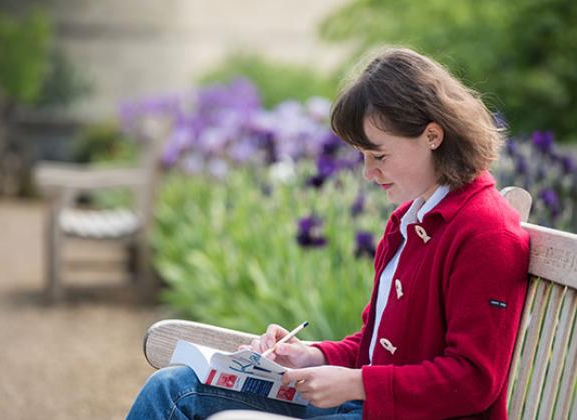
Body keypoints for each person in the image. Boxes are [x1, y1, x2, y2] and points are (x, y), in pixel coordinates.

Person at [126, 47, 529, 420]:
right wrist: (312, 356)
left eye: (379, 155)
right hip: (370, 409)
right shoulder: (412, 221)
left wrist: (356, 384)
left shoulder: (485, 231)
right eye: (363, 157)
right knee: (173, 389)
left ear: (432, 135)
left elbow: (474, 381)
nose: (369, 173)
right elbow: (373, 349)